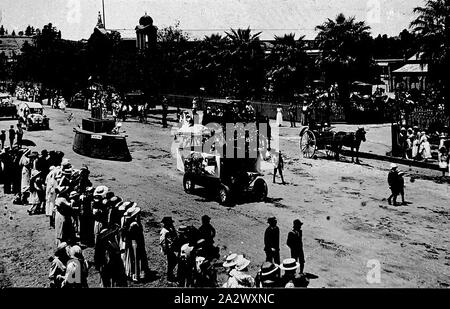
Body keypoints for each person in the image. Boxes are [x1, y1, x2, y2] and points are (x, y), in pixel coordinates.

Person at [122, 205, 149, 282]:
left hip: (132, 242)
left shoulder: (129, 223)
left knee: (134, 258)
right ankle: (137, 275)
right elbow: (136, 235)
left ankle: (134, 274)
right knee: (136, 258)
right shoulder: (134, 224)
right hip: (135, 243)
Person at [160, 216, 178, 282]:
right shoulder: (164, 231)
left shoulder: (169, 229)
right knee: (172, 262)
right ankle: (169, 276)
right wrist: (165, 250)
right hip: (169, 250)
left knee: (172, 262)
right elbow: (163, 242)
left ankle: (170, 275)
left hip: (171, 249)